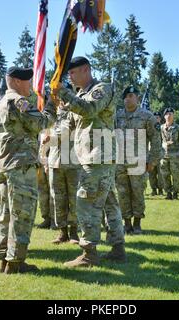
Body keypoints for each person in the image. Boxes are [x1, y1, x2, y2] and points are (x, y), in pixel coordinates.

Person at [52, 56, 126, 267]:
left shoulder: (102, 89)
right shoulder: (80, 95)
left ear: (86, 70)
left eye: (72, 72)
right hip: (93, 156)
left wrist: (64, 92)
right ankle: (118, 249)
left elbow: (89, 109)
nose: (69, 76)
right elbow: (72, 123)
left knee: (86, 202)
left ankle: (89, 253)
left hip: (98, 156)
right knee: (109, 203)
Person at [0, 67, 55, 274]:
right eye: (28, 80)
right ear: (17, 82)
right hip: (20, 167)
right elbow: (42, 123)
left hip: (4, 166)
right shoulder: (18, 102)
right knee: (22, 215)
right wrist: (52, 104)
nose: (32, 85)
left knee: (6, 214)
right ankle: (16, 262)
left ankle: (4, 258)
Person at [115, 86, 161, 235]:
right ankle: (126, 223)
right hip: (120, 162)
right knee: (122, 193)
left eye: (131, 96)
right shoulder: (117, 116)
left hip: (139, 162)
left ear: (137, 98)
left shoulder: (147, 116)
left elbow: (156, 139)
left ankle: (137, 223)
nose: (128, 99)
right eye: (126, 96)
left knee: (137, 193)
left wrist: (152, 161)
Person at [44, 101, 81, 244]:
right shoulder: (52, 114)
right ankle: (62, 232)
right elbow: (44, 126)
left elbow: (65, 131)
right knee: (57, 199)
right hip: (55, 161)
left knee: (74, 198)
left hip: (72, 162)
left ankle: (74, 232)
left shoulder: (74, 110)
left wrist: (51, 138)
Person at [160, 108, 179, 200]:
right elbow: (158, 141)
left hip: (175, 155)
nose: (169, 116)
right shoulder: (161, 128)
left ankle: (175, 192)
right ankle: (168, 192)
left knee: (176, 175)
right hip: (164, 155)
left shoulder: (178, 128)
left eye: (171, 114)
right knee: (165, 175)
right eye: (167, 114)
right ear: (164, 116)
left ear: (173, 115)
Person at [148, 112, 164, 196]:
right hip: (150, 153)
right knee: (151, 173)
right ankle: (153, 189)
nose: (156, 119)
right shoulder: (149, 128)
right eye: (155, 117)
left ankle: (161, 189)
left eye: (158, 117)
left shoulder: (163, 128)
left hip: (160, 153)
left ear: (160, 119)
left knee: (160, 173)